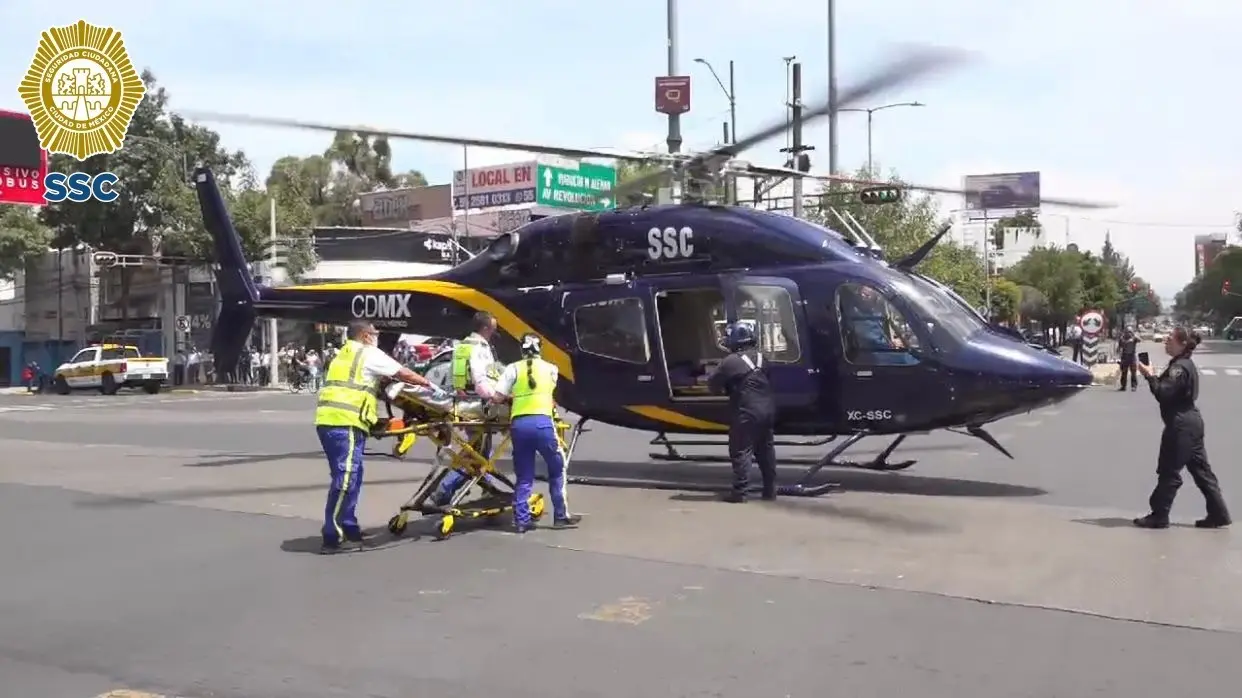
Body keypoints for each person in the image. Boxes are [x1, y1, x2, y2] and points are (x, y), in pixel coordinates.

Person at [315, 320, 444, 553]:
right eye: (375, 333)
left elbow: (358, 385)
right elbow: (402, 372)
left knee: (350, 476)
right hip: (345, 421)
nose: (377, 337)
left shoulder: (342, 354)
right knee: (346, 479)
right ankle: (332, 536)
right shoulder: (367, 353)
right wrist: (429, 384)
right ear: (365, 336)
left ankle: (349, 526)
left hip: (328, 421)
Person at [1132, 327, 1231, 529]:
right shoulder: (1182, 364)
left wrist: (1150, 376)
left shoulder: (1179, 367)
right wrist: (1151, 375)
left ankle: (1159, 515)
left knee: (1169, 470)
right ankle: (1219, 514)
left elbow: (1163, 393)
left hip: (1181, 425)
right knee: (1202, 472)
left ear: (1181, 343)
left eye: (1170, 339)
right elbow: (1167, 388)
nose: (1165, 342)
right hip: (1191, 422)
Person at [493, 333, 580, 532]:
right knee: (557, 469)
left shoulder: (512, 369)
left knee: (524, 476)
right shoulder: (551, 369)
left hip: (519, 426)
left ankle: (521, 521)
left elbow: (497, 397)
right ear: (540, 348)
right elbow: (549, 393)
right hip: (543, 425)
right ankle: (560, 516)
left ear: (521, 350)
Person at [428, 312, 503, 507]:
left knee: (478, 451)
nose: (495, 331)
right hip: (479, 404)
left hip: (464, 403)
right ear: (486, 328)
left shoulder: (462, 345)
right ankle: (444, 491)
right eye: (493, 328)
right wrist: (497, 397)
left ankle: (487, 488)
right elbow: (480, 380)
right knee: (477, 454)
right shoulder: (479, 349)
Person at [708, 322, 778, 503]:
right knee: (765, 450)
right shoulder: (763, 358)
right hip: (768, 410)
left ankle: (740, 492)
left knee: (741, 450)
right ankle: (770, 491)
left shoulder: (730, 362)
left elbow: (713, 385)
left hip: (747, 411)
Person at [1116, 327, 1139, 391]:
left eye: (1130, 332)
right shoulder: (1122, 339)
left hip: (1132, 356)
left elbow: (1139, 339)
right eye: (1127, 332)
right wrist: (1118, 357)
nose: (1128, 333)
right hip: (1124, 356)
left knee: (1133, 372)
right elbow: (1118, 348)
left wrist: (1134, 336)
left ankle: (1134, 386)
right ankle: (1123, 386)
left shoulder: (1134, 338)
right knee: (1124, 372)